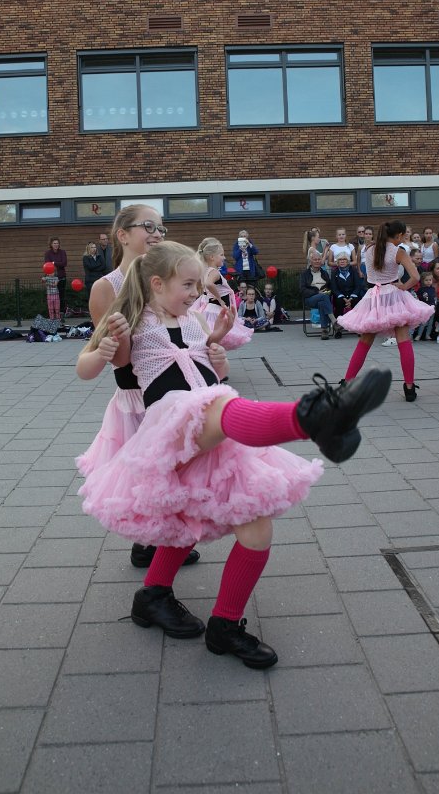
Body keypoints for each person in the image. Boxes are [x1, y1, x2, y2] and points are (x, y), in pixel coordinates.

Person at [76, 241, 392, 667]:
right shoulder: (132, 320)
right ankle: (316, 416)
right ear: (156, 282)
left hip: (210, 428)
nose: (195, 293)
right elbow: (87, 368)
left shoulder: (192, 322)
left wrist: (217, 352)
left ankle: (209, 618)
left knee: (253, 527)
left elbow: (210, 374)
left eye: (197, 285)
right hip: (168, 424)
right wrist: (106, 349)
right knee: (220, 405)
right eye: (188, 284)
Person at [79, 203, 189, 570]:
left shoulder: (167, 280)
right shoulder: (106, 287)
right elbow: (114, 358)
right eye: (148, 227)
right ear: (122, 235)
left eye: (162, 228)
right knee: (150, 475)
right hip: (137, 398)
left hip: (173, 393)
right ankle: (149, 545)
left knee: (175, 471)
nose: (158, 234)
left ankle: (158, 544)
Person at [338, 219, 433, 401]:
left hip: (374, 296)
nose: (403, 239)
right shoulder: (399, 251)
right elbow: (415, 276)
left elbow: (367, 273)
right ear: (398, 236)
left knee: (365, 342)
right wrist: (404, 287)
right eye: (402, 236)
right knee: (403, 341)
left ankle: (347, 382)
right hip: (393, 295)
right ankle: (409, 387)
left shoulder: (369, 248)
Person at [195, 237, 251, 347]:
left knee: (210, 338)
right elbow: (208, 283)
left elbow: (203, 284)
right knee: (217, 336)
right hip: (215, 310)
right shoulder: (214, 272)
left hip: (209, 308)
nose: (224, 257)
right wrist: (220, 299)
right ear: (212, 257)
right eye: (221, 255)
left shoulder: (205, 271)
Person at [299, 249, 336, 340]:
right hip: (310, 299)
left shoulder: (324, 273)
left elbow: (330, 287)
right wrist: (317, 292)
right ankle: (334, 321)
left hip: (323, 298)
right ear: (310, 261)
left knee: (322, 302)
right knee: (323, 297)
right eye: (315, 259)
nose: (317, 261)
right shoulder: (305, 274)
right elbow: (302, 290)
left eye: (319, 259)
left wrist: (327, 292)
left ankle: (324, 331)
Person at [329, 252, 366, 334]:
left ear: (348, 261)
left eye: (344, 259)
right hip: (340, 295)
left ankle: (358, 328)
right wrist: (343, 298)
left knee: (357, 302)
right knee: (338, 302)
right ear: (337, 262)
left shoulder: (353, 270)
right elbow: (334, 288)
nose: (342, 261)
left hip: (352, 294)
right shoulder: (334, 272)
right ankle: (338, 329)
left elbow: (358, 286)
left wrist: (351, 298)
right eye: (340, 260)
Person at [44, 238, 68, 318]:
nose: (56, 245)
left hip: (61, 277)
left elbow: (64, 263)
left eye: (57, 243)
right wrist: (57, 264)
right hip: (51, 278)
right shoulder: (48, 253)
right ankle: (52, 316)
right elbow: (47, 264)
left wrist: (54, 263)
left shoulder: (62, 252)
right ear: (51, 244)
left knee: (61, 296)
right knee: (51, 298)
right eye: (54, 243)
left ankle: (61, 314)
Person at [413, 272, 437, 341]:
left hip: (432, 307)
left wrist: (435, 305)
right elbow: (419, 299)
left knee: (430, 323)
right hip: (425, 308)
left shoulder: (432, 289)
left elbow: (434, 297)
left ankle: (427, 335)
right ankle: (419, 335)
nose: (429, 282)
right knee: (424, 322)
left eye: (430, 280)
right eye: (426, 280)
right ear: (423, 281)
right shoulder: (421, 290)